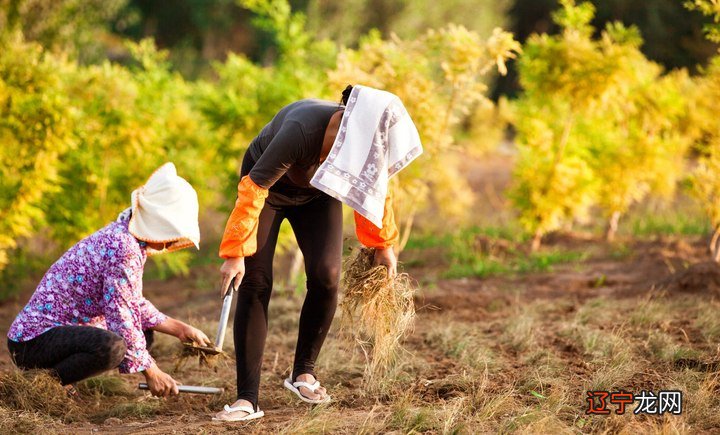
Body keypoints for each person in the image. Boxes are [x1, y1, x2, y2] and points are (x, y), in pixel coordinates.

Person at [213, 85, 423, 422]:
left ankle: (303, 374)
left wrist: (383, 245)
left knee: (327, 276)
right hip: (268, 190)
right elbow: (254, 189)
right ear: (346, 126)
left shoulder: (358, 146)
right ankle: (247, 399)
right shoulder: (302, 130)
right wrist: (236, 252)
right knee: (256, 281)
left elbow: (375, 188)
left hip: (318, 195)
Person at [6, 163, 212, 398]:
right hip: (32, 342)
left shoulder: (127, 239)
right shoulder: (122, 247)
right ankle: (44, 387)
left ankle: (60, 379)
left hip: (55, 334)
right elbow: (122, 315)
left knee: (143, 334)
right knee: (112, 348)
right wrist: (153, 372)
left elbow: (131, 302)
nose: (171, 243)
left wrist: (179, 329)